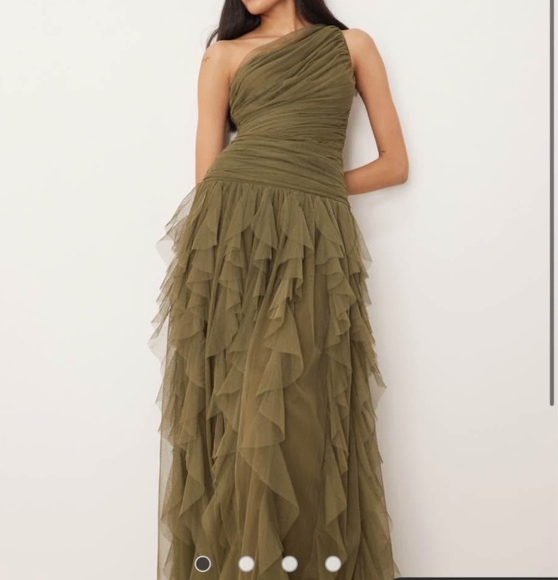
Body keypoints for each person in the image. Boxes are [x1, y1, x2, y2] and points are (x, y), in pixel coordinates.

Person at [149, 1, 408, 578]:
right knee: (237, 418)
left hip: (314, 242)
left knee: (296, 416)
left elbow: (395, 164)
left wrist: (309, 179)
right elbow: (206, 179)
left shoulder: (351, 47)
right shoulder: (222, 56)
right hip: (230, 244)